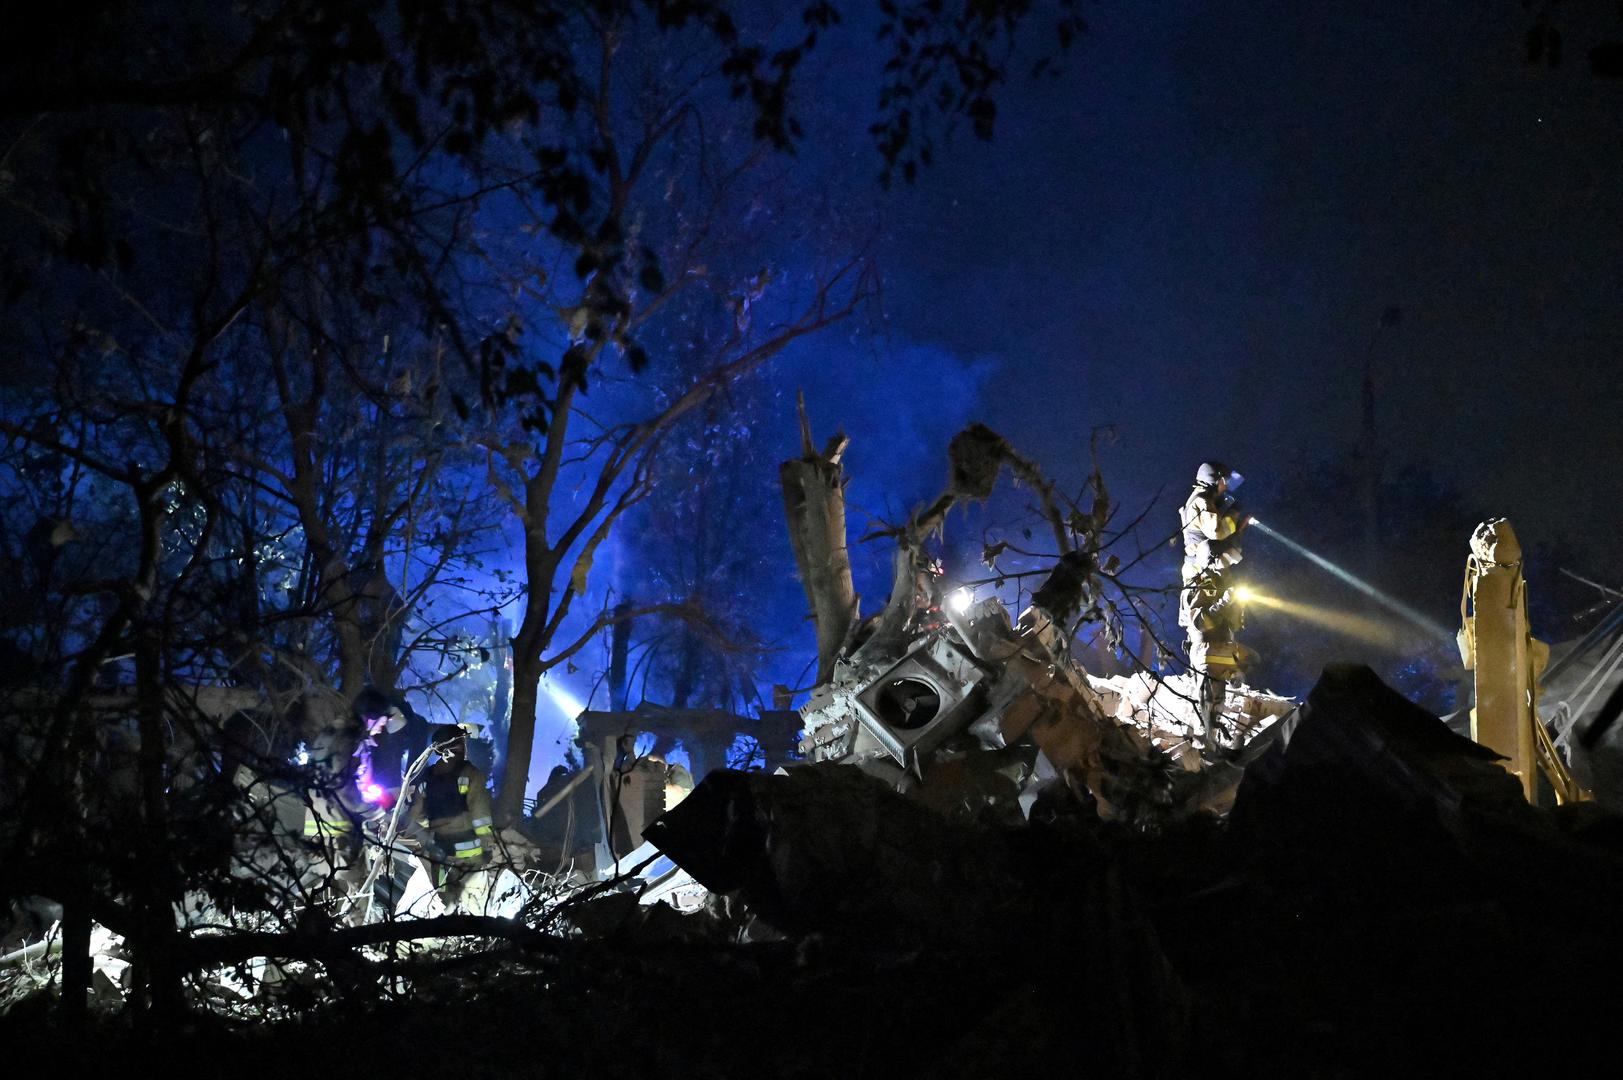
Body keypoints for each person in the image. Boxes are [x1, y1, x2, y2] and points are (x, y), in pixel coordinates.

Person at [1178, 461, 1253, 740]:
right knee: (1209, 685)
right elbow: (1217, 532)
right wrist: (1232, 515)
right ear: (1213, 480)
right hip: (1201, 578)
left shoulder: (1217, 574)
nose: (1225, 486)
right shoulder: (1200, 501)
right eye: (1223, 481)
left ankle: (1216, 731)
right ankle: (1206, 735)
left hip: (1209, 578)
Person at [400, 724, 497, 912]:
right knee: (475, 901)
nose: (465, 746)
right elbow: (480, 813)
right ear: (457, 746)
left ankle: (449, 930)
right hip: (469, 854)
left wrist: (428, 837)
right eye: (462, 742)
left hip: (440, 852)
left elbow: (416, 816)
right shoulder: (471, 774)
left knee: (446, 899)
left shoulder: (427, 777)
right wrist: (487, 842)